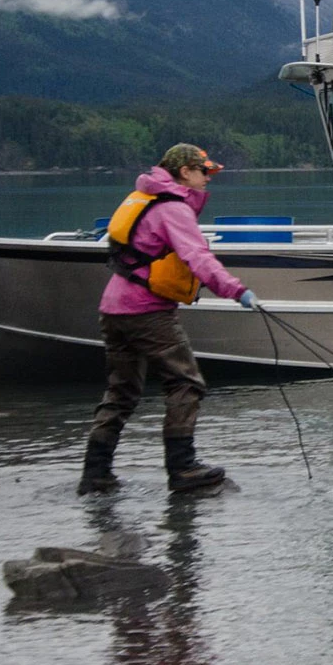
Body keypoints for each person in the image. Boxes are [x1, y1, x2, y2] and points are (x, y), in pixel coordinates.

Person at [77, 143, 259, 495]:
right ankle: (183, 468)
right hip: (146, 311)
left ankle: (95, 474)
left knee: (121, 392)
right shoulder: (174, 208)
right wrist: (238, 291)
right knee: (186, 383)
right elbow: (198, 258)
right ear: (185, 172)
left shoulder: (145, 197)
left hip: (113, 308)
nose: (208, 179)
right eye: (204, 171)